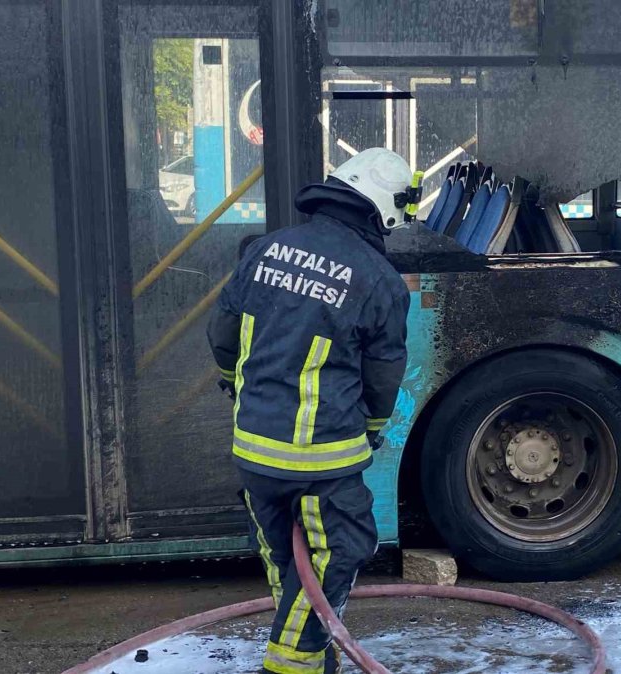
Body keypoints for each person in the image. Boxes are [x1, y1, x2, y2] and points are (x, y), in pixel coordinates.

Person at [207, 148, 418, 674]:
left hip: (253, 449)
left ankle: (309, 655)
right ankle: (293, 665)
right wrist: (370, 429)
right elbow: (383, 376)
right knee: (341, 549)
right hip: (320, 457)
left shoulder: (265, 250)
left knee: (286, 557)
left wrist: (241, 387)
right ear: (385, 210)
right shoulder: (378, 278)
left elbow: (222, 334)